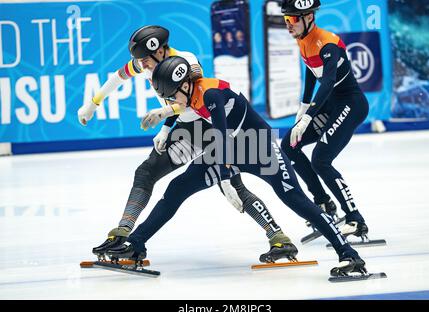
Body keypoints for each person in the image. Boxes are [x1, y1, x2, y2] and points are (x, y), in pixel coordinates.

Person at [107, 56, 367, 276]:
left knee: (295, 199)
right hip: (232, 147)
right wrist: (166, 119)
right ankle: (136, 242)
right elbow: (211, 132)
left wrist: (224, 177)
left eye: (174, 95)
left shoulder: (210, 93)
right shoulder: (189, 93)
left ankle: (349, 254)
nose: (174, 101)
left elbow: (219, 136)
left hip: (259, 147)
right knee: (178, 188)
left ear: (185, 85)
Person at [77, 25, 296, 261]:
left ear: (159, 52)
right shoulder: (146, 62)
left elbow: (193, 100)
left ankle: (278, 237)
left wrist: (164, 114)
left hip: (209, 127)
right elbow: (118, 77)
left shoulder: (186, 61)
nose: (142, 66)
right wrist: (93, 104)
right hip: (186, 130)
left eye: (144, 61)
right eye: (139, 61)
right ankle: (123, 233)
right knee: (146, 172)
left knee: (231, 185)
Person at [280, 0, 370, 238]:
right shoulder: (302, 40)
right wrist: (302, 107)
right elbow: (311, 72)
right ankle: (322, 202)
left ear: (309, 17)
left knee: (321, 160)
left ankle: (355, 218)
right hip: (330, 103)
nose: (288, 25)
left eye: (293, 19)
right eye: (286, 19)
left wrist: (309, 116)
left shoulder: (328, 43)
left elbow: (328, 82)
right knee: (289, 145)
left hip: (350, 103)